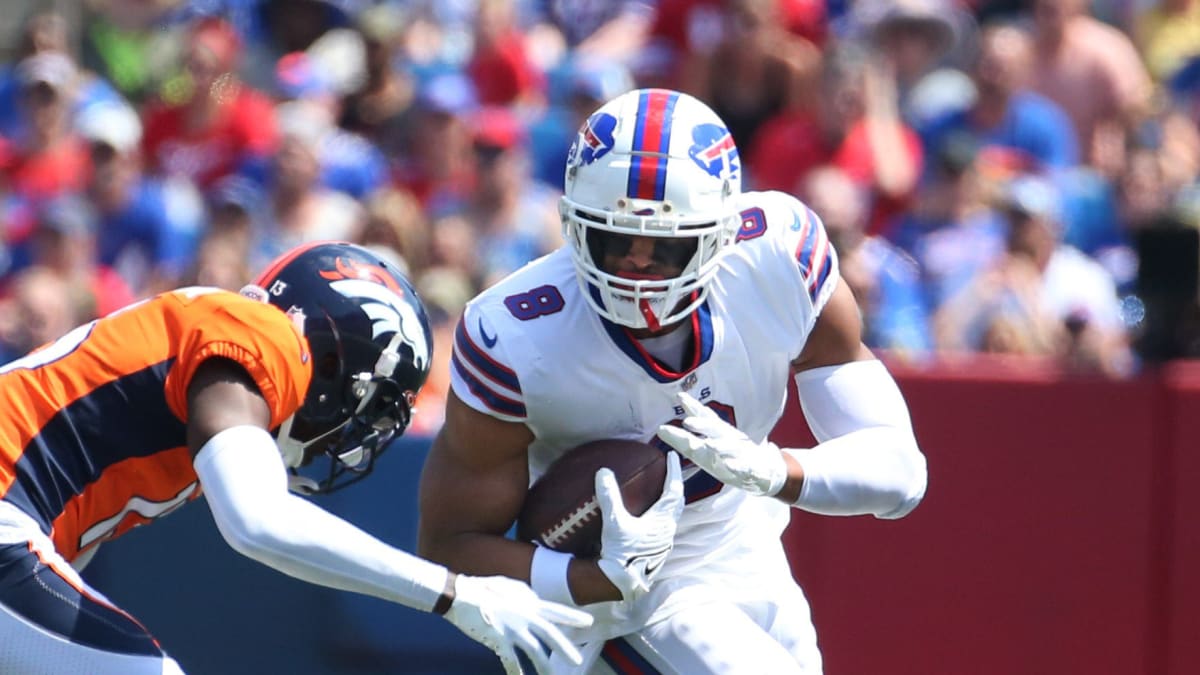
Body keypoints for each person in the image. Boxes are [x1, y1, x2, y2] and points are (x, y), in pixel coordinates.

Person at [417, 89, 929, 672]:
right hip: (620, 601)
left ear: (722, 233)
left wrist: (773, 470)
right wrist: (590, 578)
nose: (637, 265)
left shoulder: (777, 255)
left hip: (746, 545)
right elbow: (449, 547)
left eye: (664, 247)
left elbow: (902, 473)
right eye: (613, 240)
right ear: (572, 226)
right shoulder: (515, 333)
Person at [0, 241, 591, 674]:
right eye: (369, 404)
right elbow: (259, 522)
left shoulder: (208, 349)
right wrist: (454, 593)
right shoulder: (263, 336)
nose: (352, 433)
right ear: (337, 362)